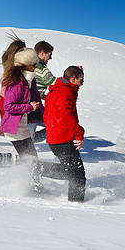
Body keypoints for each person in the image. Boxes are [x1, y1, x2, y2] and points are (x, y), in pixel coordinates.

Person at [0, 46, 44, 192]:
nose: (36, 66)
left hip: (22, 126)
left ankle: (33, 187)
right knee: (31, 160)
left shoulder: (29, 80)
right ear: (26, 65)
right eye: (34, 64)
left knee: (30, 159)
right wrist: (29, 107)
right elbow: (9, 106)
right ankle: (33, 189)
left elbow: (35, 98)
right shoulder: (17, 82)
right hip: (15, 129)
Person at [43, 66, 86, 202]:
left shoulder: (58, 90)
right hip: (62, 138)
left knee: (69, 171)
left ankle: (33, 167)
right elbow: (66, 115)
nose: (82, 85)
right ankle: (76, 205)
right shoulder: (64, 92)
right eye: (81, 81)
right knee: (77, 174)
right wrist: (79, 133)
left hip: (56, 137)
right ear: (73, 78)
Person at [26, 41, 56, 142]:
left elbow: (36, 87)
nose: (51, 58)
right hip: (32, 109)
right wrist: (73, 77)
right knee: (54, 126)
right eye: (49, 54)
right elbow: (54, 83)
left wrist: (44, 96)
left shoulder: (30, 64)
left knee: (23, 135)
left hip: (30, 107)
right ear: (42, 53)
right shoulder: (41, 68)